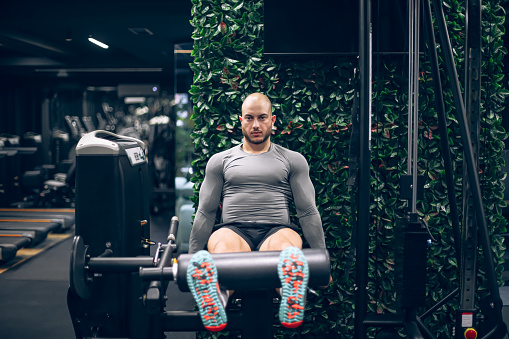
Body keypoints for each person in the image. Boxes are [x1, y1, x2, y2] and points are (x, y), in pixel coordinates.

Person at [186, 92, 327, 332]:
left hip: (277, 229)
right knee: (222, 248)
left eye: (262, 118)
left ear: (273, 120)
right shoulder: (220, 161)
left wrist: (322, 261)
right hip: (233, 229)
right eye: (249, 118)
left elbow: (307, 212)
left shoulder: (293, 160)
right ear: (240, 120)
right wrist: (191, 258)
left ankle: (291, 297)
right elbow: (206, 213)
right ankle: (215, 300)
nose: (255, 125)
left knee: (286, 251)